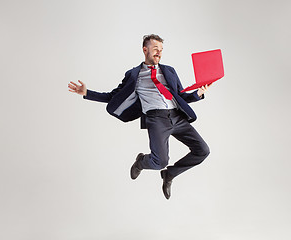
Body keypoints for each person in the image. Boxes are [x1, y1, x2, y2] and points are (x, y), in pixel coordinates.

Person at [68, 34, 210, 199]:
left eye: (161, 50)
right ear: (145, 49)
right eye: (155, 49)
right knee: (160, 162)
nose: (159, 53)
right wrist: (87, 93)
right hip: (156, 119)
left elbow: (180, 96)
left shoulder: (169, 71)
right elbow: (113, 96)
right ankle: (141, 161)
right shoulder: (134, 75)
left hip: (177, 116)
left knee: (203, 151)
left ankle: (170, 174)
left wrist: (198, 93)